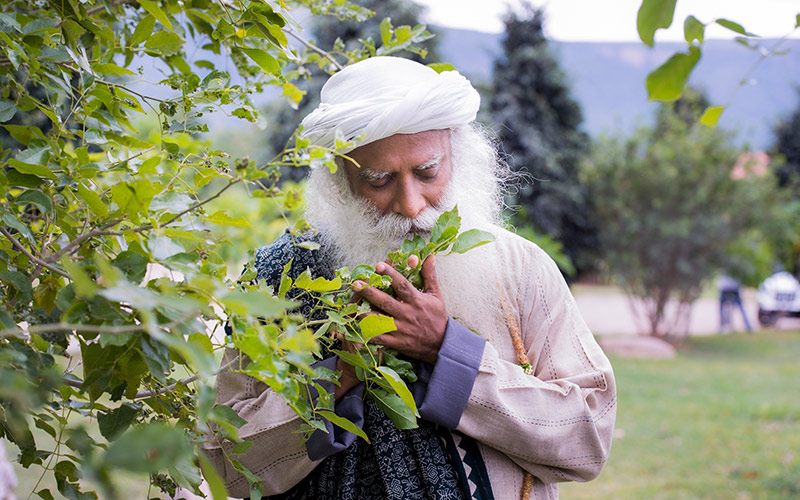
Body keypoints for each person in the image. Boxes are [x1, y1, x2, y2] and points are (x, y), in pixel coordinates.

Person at [204, 56, 616, 500]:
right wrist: (341, 371)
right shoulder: (276, 280)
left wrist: (446, 351)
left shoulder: (518, 268)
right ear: (339, 183)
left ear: (456, 157)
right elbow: (225, 468)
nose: (411, 203)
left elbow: (587, 441)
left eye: (427, 173)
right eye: (379, 180)